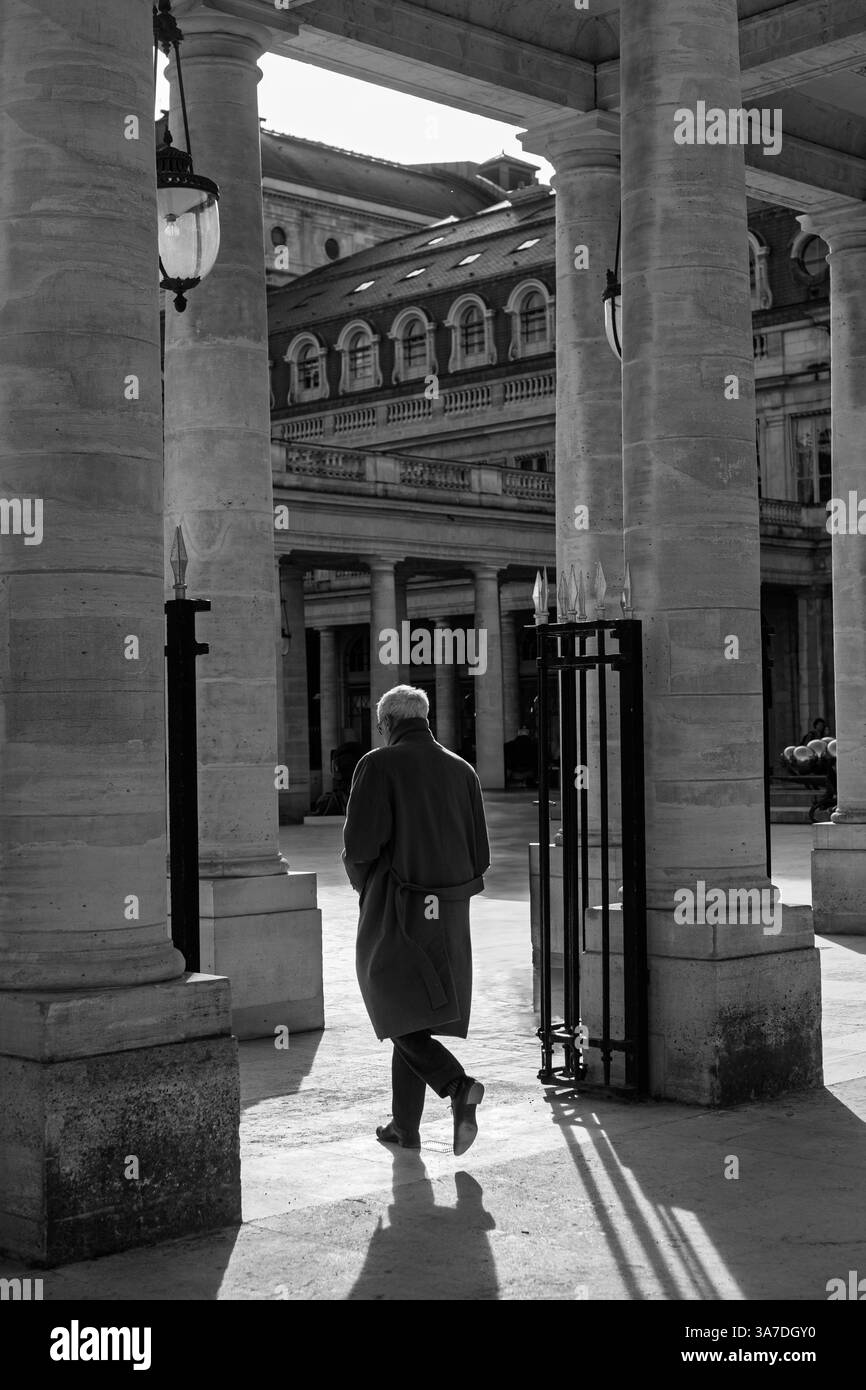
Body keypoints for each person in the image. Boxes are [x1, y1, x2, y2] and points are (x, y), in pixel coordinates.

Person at [342, 685, 491, 1156]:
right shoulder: (462, 769)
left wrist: (365, 887)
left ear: (385, 723)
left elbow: (360, 847)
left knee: (389, 1003)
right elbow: (481, 854)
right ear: (426, 718)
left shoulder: (377, 764)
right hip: (448, 911)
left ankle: (456, 1085)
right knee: (413, 1012)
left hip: (396, 905)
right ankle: (405, 1126)